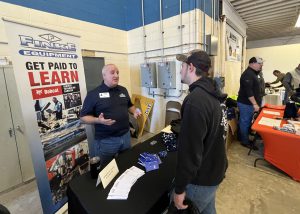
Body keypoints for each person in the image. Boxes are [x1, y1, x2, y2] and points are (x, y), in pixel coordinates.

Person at [172, 50, 228, 213]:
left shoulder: (195, 101)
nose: (179, 70)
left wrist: (180, 188)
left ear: (190, 67)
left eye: (181, 66)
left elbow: (190, 152)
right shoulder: (213, 95)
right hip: (215, 171)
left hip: (200, 180)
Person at [80, 64, 141, 165]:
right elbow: (83, 117)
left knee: (125, 163)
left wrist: (134, 111)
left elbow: (130, 105)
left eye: (117, 73)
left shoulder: (123, 90)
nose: (116, 75)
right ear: (104, 76)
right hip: (106, 141)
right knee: (106, 170)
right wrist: (98, 120)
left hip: (126, 136)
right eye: (112, 72)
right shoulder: (93, 94)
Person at [237, 57, 264, 150]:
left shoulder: (253, 73)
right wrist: (255, 104)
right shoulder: (247, 74)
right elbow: (249, 92)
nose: (261, 65)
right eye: (259, 63)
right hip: (246, 103)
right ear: (252, 63)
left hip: (249, 104)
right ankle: (245, 142)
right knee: (245, 122)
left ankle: (243, 137)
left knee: (246, 122)